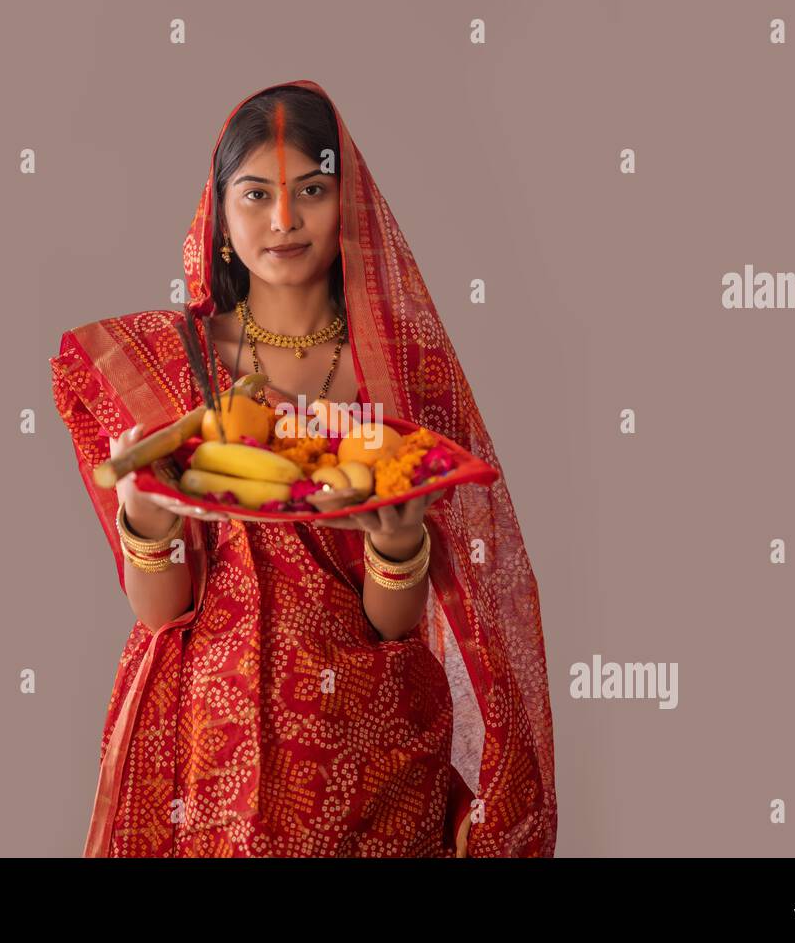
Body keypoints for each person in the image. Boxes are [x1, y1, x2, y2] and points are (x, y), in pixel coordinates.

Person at [50, 80, 557, 857]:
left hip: (369, 750)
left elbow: (400, 625)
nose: (282, 221)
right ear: (219, 215)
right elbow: (160, 616)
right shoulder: (160, 368)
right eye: (255, 195)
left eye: (311, 191)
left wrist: (395, 550)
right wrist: (146, 522)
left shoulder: (398, 372)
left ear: (346, 208)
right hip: (207, 749)